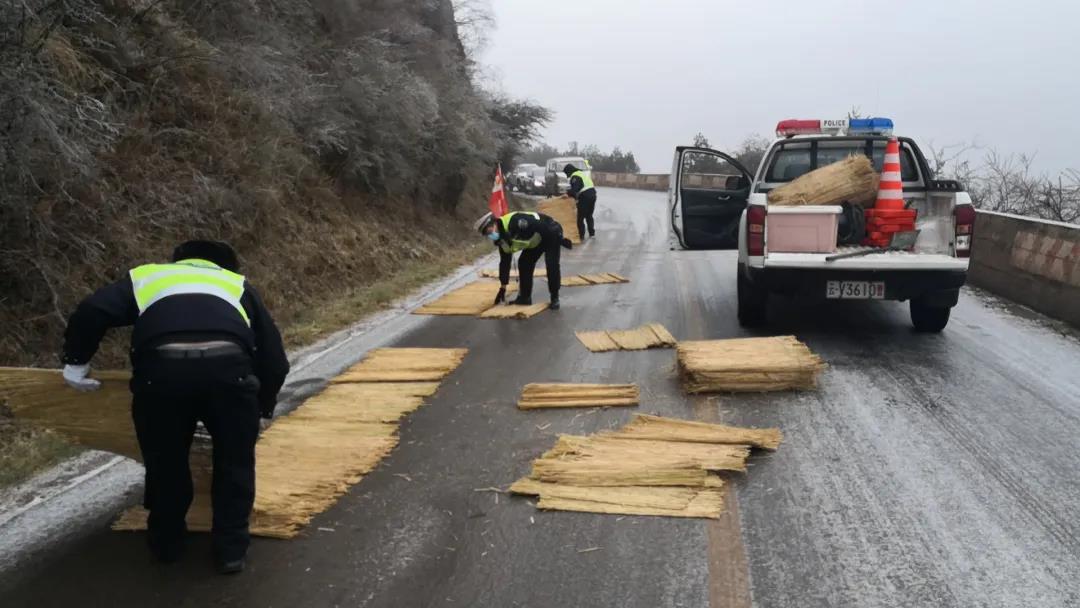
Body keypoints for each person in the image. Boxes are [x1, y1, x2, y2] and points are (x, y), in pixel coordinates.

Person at [60, 240, 289, 574]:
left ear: (178, 260)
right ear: (226, 266)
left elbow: (93, 310)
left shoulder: (148, 278)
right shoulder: (235, 284)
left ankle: (167, 545)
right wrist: (262, 408)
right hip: (229, 375)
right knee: (234, 463)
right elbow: (274, 360)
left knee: (166, 462)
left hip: (160, 376)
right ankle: (230, 552)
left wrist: (76, 362)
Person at [474, 211, 572, 310]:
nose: (489, 235)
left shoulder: (516, 222)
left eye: (489, 231)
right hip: (536, 241)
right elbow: (504, 262)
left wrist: (560, 238)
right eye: (487, 234)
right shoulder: (501, 240)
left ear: (494, 223)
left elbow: (541, 226)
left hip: (551, 231)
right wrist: (503, 288)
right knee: (524, 263)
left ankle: (555, 298)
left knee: (551, 264)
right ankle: (525, 298)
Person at [563, 163, 597, 240]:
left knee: (580, 217)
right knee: (589, 215)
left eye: (566, 173)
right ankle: (592, 233)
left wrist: (568, 193)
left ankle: (581, 235)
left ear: (569, 171)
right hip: (593, 194)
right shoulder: (581, 173)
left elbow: (575, 189)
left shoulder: (575, 177)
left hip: (585, 196)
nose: (566, 175)